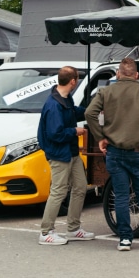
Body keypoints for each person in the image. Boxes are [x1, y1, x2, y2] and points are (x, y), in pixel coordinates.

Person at [86, 57, 139, 251]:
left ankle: (125, 239)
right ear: (137, 75)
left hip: (114, 150)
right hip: (138, 150)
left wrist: (100, 136)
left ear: (118, 74)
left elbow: (89, 113)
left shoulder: (106, 91)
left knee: (121, 195)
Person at [36, 66, 93, 245]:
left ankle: (73, 228)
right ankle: (46, 232)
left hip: (71, 152)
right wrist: (75, 131)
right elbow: (55, 133)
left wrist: (91, 110)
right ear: (73, 81)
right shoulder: (54, 105)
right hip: (60, 154)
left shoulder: (64, 99)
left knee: (80, 187)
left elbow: (74, 112)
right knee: (59, 191)